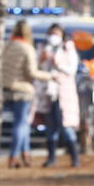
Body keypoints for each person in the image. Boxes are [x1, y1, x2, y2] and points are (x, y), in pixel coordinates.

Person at [0, 19, 51, 168]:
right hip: (22, 91)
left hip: (5, 90)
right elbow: (31, 72)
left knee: (22, 124)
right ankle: (14, 155)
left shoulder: (6, 46)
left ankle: (25, 153)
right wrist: (50, 76)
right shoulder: (27, 48)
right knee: (21, 124)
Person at [38, 24, 80, 167]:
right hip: (49, 94)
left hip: (64, 94)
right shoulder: (44, 48)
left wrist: (58, 64)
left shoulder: (68, 48)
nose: (53, 36)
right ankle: (51, 158)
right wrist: (42, 59)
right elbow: (38, 68)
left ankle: (74, 158)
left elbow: (72, 69)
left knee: (67, 126)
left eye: (56, 33)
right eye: (51, 33)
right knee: (50, 128)